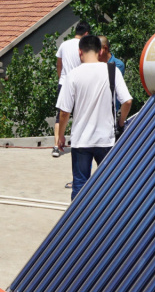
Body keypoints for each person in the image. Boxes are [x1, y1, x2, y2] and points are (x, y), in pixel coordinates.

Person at [56, 35, 133, 200]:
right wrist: (120, 122)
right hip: (106, 139)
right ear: (100, 51)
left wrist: (61, 135)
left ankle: (76, 222)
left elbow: (64, 112)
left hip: (80, 141)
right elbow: (127, 101)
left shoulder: (73, 75)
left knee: (80, 184)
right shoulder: (112, 71)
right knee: (109, 185)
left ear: (79, 52)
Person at [53, 21, 90, 158]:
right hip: (79, 83)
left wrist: (61, 78)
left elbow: (59, 64)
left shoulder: (64, 44)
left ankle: (56, 146)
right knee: (80, 114)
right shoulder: (84, 47)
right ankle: (79, 144)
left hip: (63, 82)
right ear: (86, 34)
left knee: (60, 115)